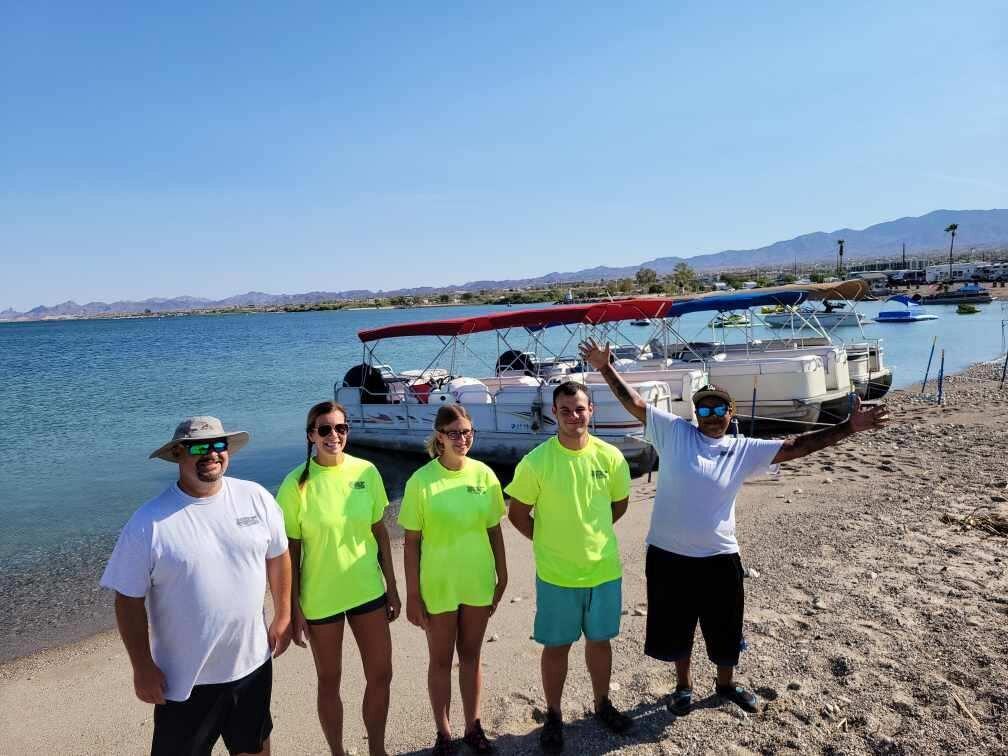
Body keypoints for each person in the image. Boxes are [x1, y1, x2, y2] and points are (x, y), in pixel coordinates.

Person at [579, 337, 890, 716]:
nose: (710, 413)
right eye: (704, 407)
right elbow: (635, 404)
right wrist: (605, 367)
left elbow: (796, 446)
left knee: (725, 627)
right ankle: (682, 687)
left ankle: (725, 684)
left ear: (731, 412)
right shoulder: (673, 433)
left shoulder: (743, 449)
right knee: (678, 627)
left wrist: (848, 427)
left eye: (718, 407)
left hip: (720, 557)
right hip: (668, 555)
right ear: (695, 414)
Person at [100, 416, 292, 756]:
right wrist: (142, 666)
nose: (212, 454)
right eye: (199, 447)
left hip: (251, 666)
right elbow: (127, 599)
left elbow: (278, 556)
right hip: (185, 680)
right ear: (178, 454)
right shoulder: (149, 522)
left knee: (255, 747)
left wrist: (283, 616)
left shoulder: (256, 497)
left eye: (219, 445)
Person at [505, 381, 635, 754]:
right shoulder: (536, 462)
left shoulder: (610, 457)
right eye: (565, 410)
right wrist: (549, 542)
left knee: (600, 641)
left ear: (590, 410)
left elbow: (618, 505)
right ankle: (555, 715)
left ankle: (601, 705)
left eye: (579, 409)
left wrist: (591, 537)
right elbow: (516, 513)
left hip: (603, 570)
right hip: (557, 575)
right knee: (557, 646)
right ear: (554, 413)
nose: (573, 416)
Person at [276, 401, 400, 756]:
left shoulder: (367, 472)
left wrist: (392, 587)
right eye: (325, 429)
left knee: (381, 675)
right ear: (311, 435)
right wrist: (292, 608)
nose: (334, 435)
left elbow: (380, 532)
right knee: (329, 681)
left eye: (341, 428)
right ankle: (338, 753)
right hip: (320, 597)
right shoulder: (295, 484)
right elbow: (289, 553)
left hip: (367, 590)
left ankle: (377, 749)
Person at [399, 405, 508, 755]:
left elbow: (494, 530)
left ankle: (472, 727)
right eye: (454, 433)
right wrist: (412, 595)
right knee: (441, 660)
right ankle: (444, 733)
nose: (462, 439)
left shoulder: (485, 476)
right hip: (438, 583)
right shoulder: (421, 481)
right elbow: (411, 543)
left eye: (468, 432)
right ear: (439, 437)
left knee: (472, 656)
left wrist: (503, 574)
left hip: (477, 579)